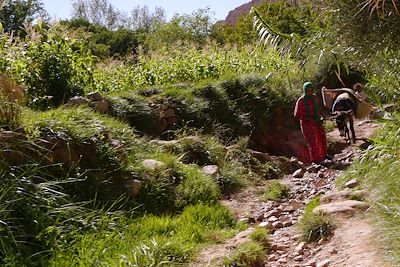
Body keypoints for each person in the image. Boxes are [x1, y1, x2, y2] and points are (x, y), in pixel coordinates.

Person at [294, 81, 327, 163]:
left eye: (311, 90)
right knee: (312, 141)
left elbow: (319, 108)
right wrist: (308, 118)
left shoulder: (315, 98)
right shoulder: (301, 101)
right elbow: (297, 115)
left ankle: (323, 155)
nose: (310, 92)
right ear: (305, 90)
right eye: (308, 90)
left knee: (321, 138)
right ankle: (315, 160)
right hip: (307, 124)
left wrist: (322, 116)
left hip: (317, 122)